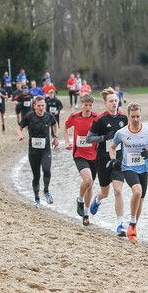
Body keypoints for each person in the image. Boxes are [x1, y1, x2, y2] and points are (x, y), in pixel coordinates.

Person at [109, 103, 148, 242]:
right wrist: (113, 159)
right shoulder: (122, 133)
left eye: (138, 116)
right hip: (128, 167)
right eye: (132, 117)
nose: (135, 119)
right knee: (137, 191)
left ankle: (133, 227)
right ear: (128, 116)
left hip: (144, 169)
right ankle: (131, 223)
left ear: (141, 116)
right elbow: (112, 148)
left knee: (140, 200)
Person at [86, 88, 128, 235]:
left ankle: (120, 224)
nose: (114, 103)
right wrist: (104, 138)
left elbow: (129, 137)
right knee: (105, 192)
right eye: (111, 101)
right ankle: (97, 200)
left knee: (118, 190)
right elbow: (88, 139)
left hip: (119, 159)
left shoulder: (124, 119)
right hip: (103, 160)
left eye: (116, 100)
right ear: (105, 103)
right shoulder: (100, 120)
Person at [17, 96, 59, 207]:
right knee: (36, 176)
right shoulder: (29, 117)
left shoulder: (49, 117)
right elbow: (19, 127)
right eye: (39, 106)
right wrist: (20, 134)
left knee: (47, 170)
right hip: (33, 152)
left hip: (46, 150)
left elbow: (55, 125)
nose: (41, 108)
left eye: (43, 105)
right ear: (34, 106)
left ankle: (46, 191)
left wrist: (55, 137)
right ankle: (36, 199)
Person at [64, 93, 99, 226]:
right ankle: (79, 200)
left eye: (90, 105)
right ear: (81, 105)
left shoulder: (96, 118)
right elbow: (66, 127)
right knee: (87, 180)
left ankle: (86, 213)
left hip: (94, 156)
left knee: (90, 185)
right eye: (86, 105)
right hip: (79, 154)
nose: (88, 108)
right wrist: (67, 141)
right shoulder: (75, 117)